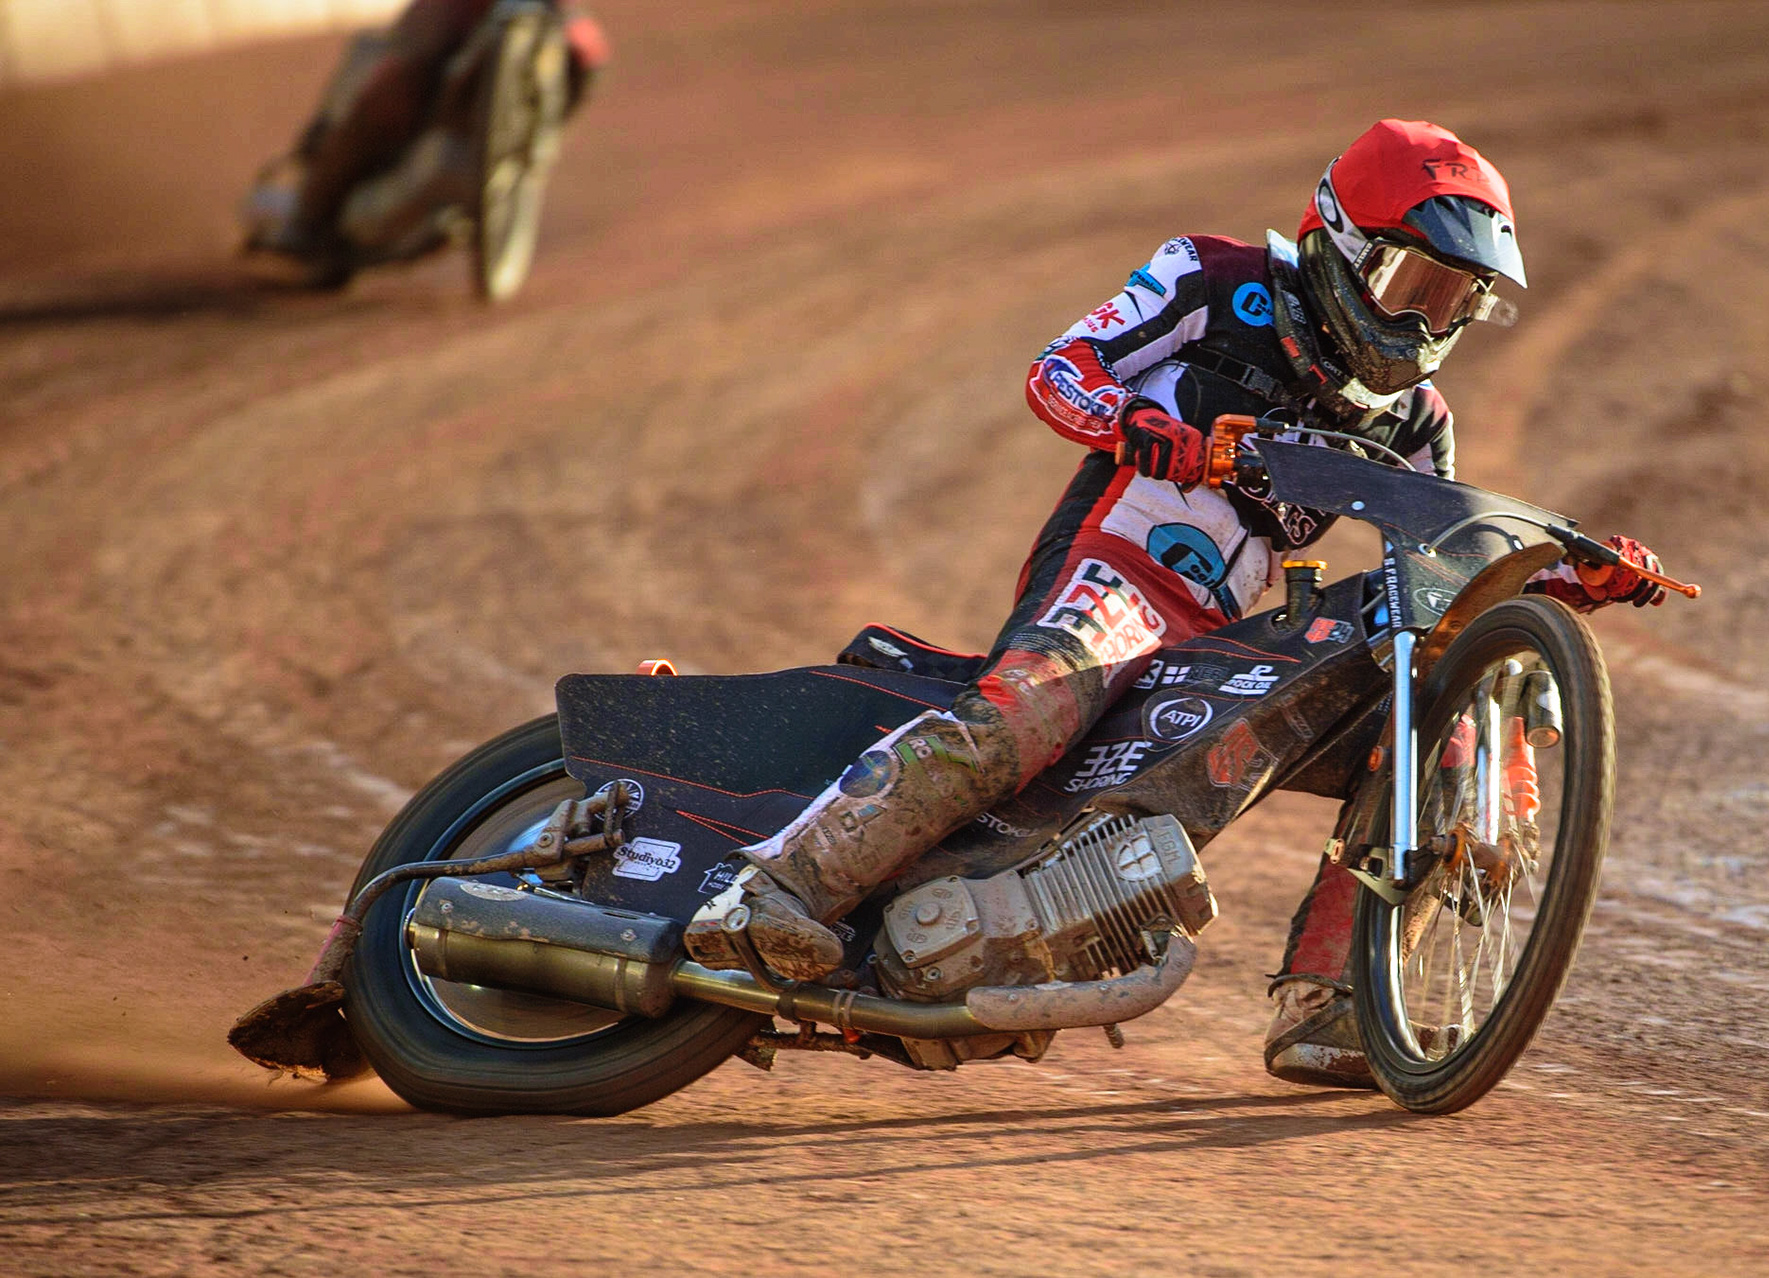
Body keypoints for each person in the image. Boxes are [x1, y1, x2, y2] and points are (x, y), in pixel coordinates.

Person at [683, 119, 1666, 1088]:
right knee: (1035, 703)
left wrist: (1571, 576)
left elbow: (1445, 566)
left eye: (1454, 301)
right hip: (1118, 576)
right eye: (1412, 287)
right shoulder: (1212, 283)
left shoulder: (1415, 421)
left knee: (1431, 724)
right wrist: (1145, 425)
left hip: (1225, 639)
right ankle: (772, 886)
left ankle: (1330, 1006)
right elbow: (1059, 372)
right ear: (1340, 244)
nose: (1423, 326)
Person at [251, 0, 608, 260]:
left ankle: (520, 164)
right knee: (395, 85)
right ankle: (311, 213)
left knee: (586, 56)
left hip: (543, 12)